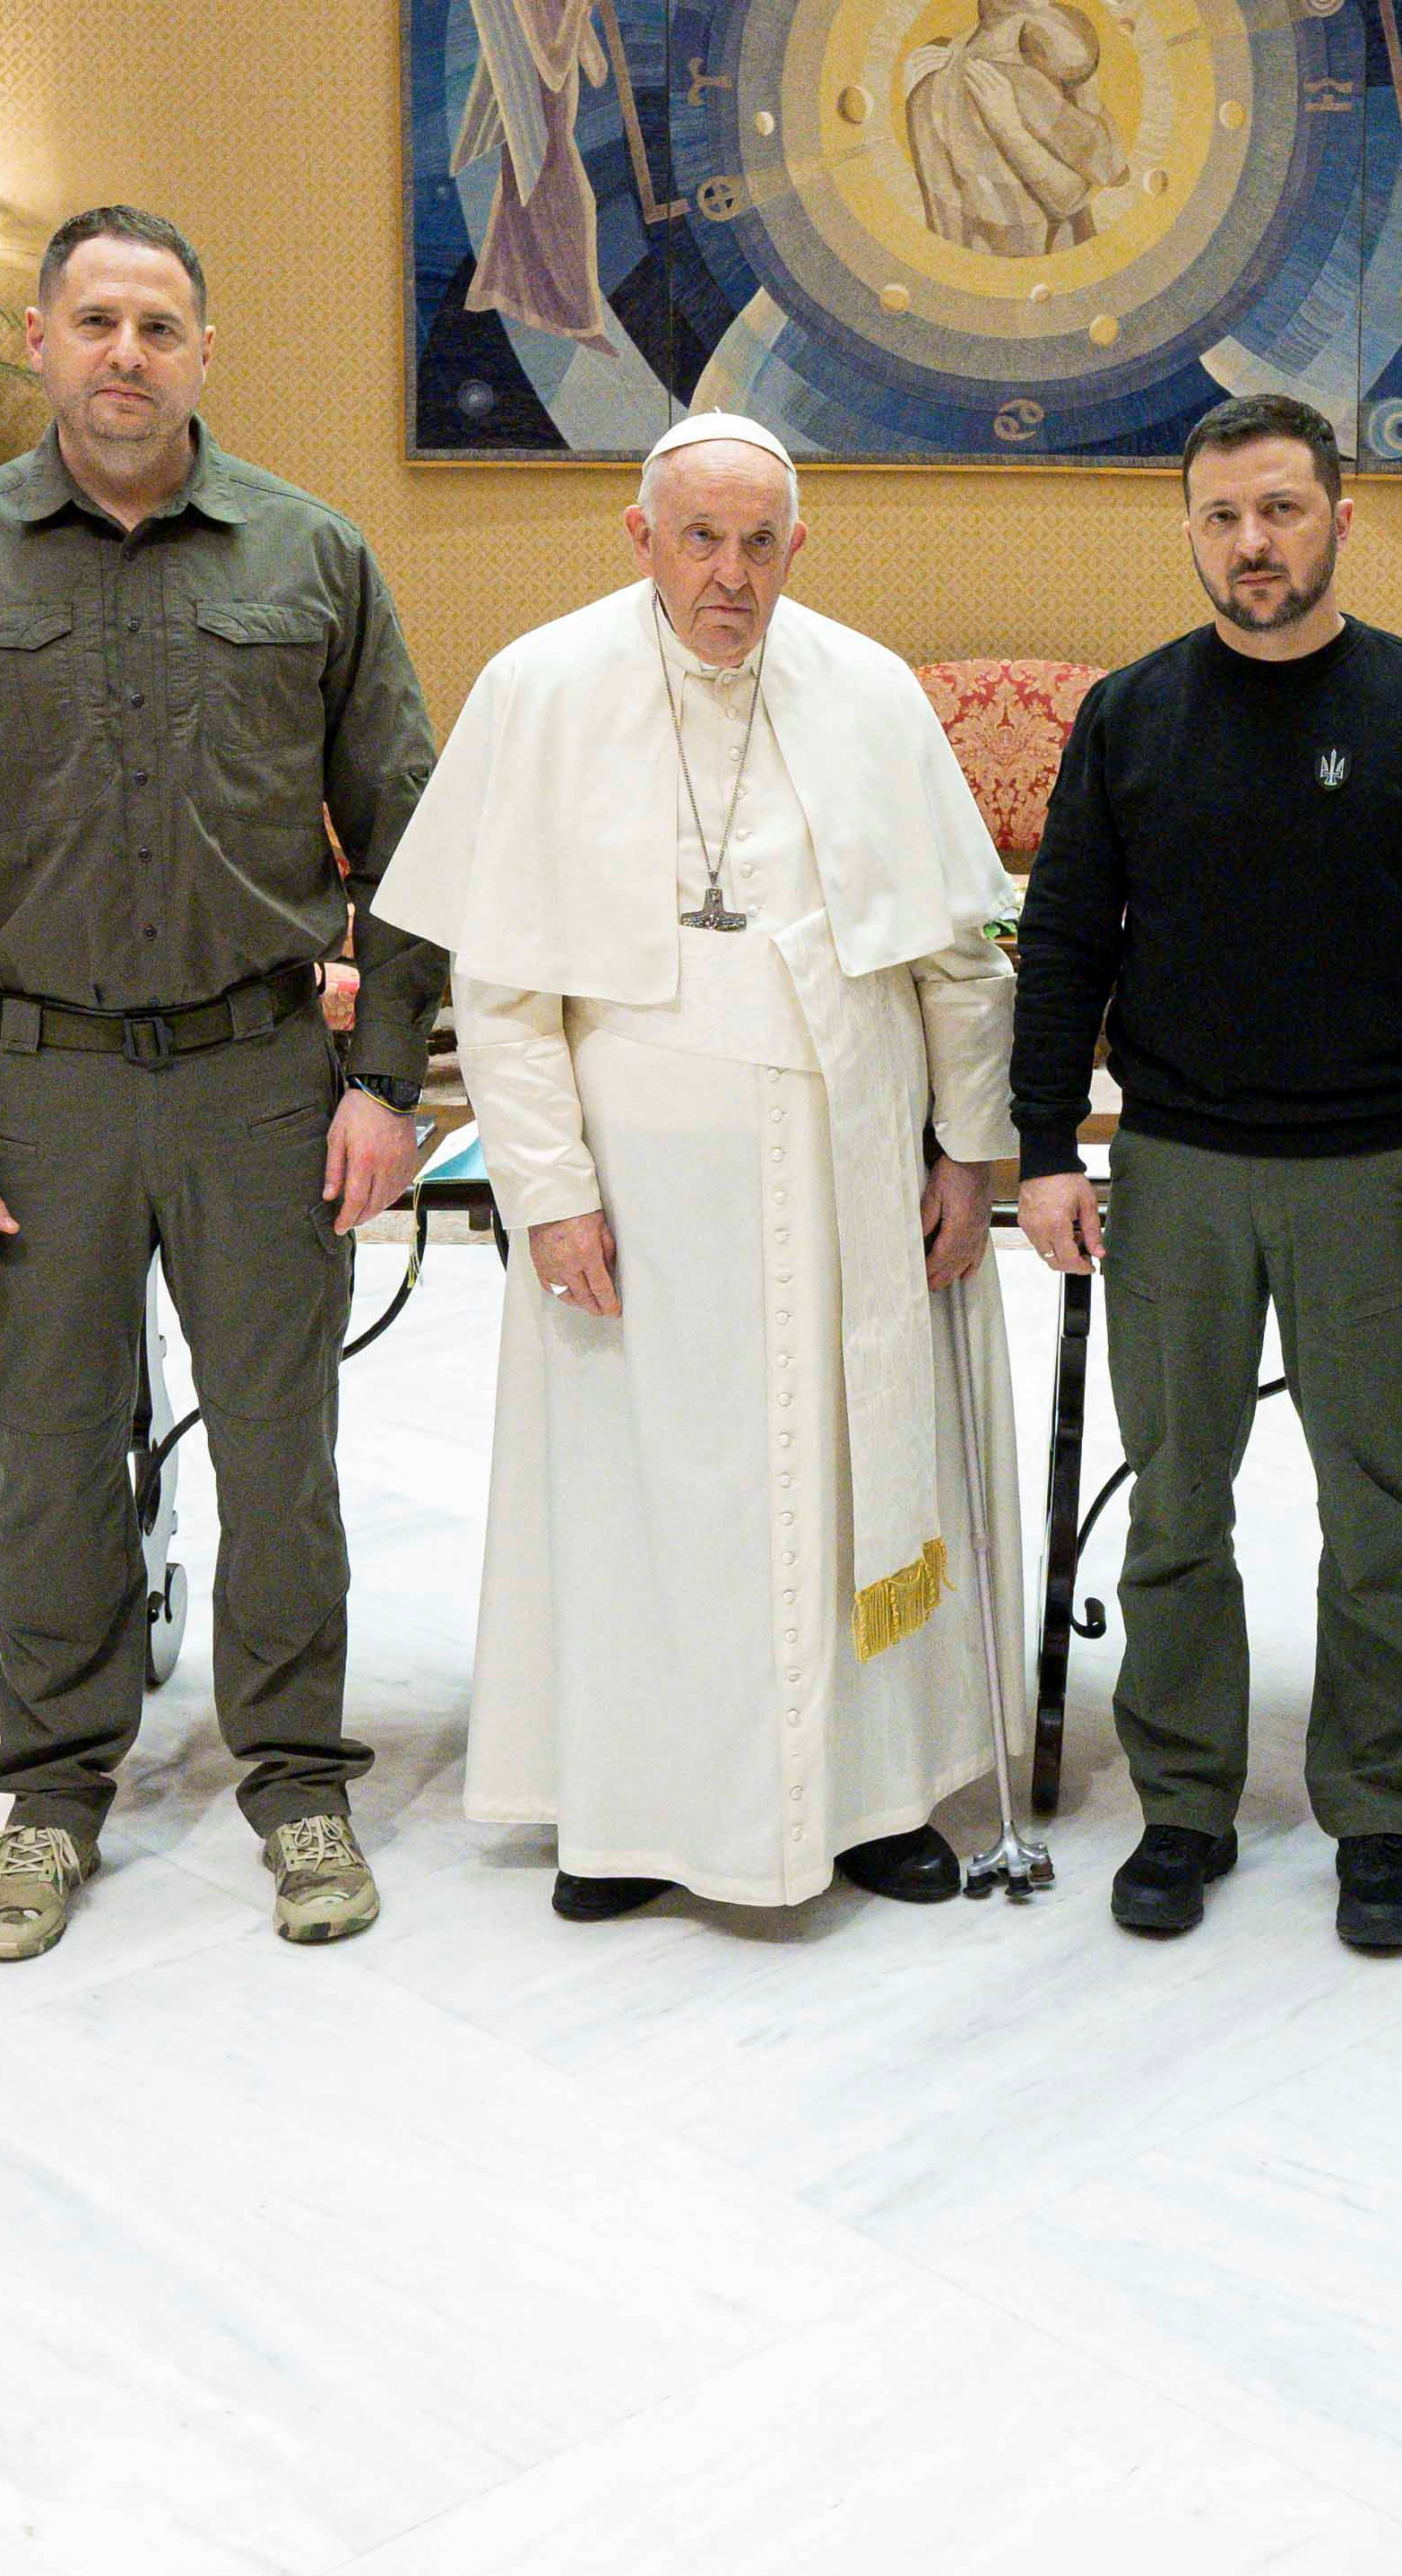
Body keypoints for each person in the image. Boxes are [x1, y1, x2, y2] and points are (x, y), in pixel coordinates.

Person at [0, 209, 440, 1961]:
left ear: (202, 350)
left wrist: (383, 1076)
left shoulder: (306, 557)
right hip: (36, 1090)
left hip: (264, 1072)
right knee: (48, 1448)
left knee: (279, 1443)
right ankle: (55, 1789)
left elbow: (409, 833)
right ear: (37, 340)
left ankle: (299, 1774)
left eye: (158, 323)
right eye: (92, 318)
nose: (123, 351)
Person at [373, 413, 1025, 1918]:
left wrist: (970, 1152)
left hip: (848, 1163)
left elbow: (958, 960)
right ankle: (632, 1813)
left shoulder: (866, 692)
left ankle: (870, 1803)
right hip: (640, 1195)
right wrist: (548, 1192)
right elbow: (510, 992)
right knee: (644, 1495)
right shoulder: (539, 689)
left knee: (855, 1476)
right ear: (640, 535)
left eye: (758, 543)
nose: (728, 575)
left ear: (798, 546)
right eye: (699, 539)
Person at [1008, 391, 1402, 1955]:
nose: (1254, 543)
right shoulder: (1130, 715)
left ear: (1340, 520)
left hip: (1371, 1176)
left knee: (1374, 1504)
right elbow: (1064, 945)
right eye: (1224, 516)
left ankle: (1376, 1809)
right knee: (1178, 1501)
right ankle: (1184, 1800)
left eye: (1283, 511)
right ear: (1191, 530)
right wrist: (1050, 1145)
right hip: (1176, 1169)